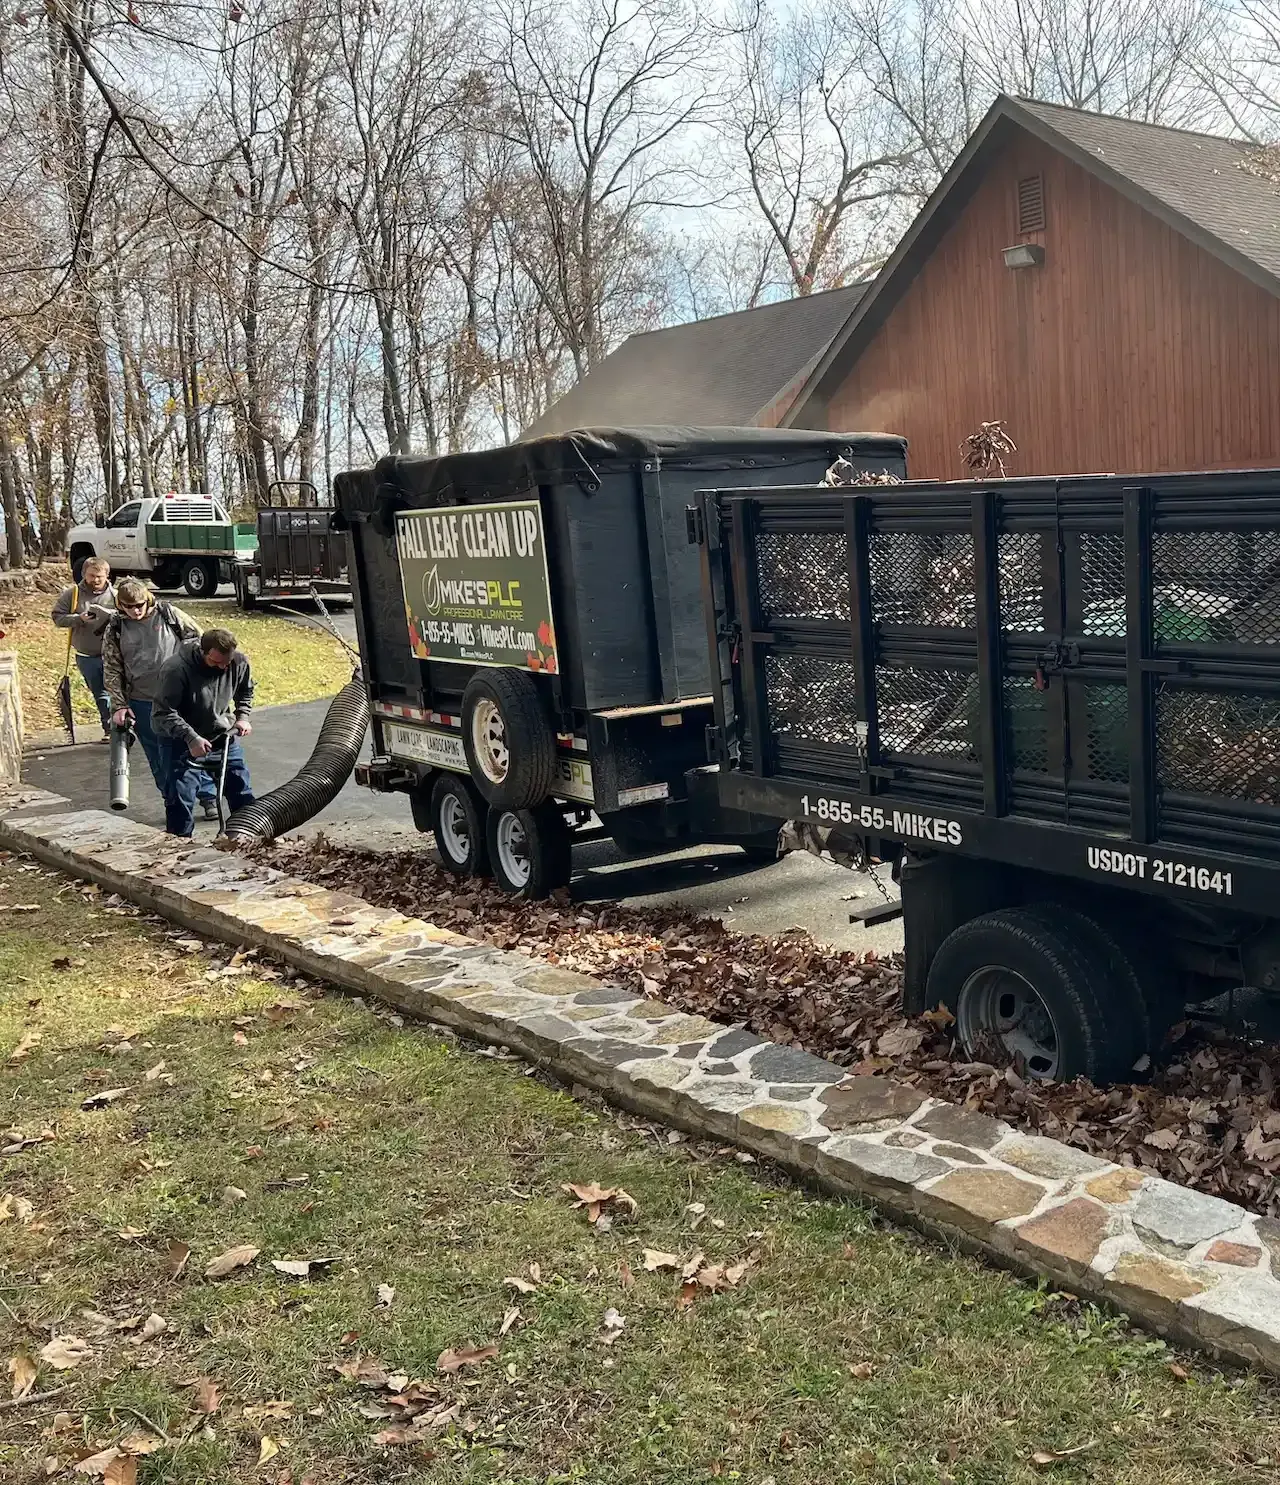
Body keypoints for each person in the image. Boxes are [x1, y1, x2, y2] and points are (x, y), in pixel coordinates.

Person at [102, 578, 217, 817]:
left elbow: (199, 641)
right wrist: (119, 705)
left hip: (178, 698)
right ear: (119, 604)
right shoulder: (115, 627)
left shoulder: (169, 614)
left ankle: (208, 798)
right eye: (128, 606)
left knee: (192, 746)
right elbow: (112, 667)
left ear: (148, 599)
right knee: (158, 756)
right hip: (142, 700)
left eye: (140, 605)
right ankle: (172, 801)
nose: (135, 610)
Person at [153, 626, 256, 838]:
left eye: (226, 663)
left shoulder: (238, 662)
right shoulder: (176, 669)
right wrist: (191, 738)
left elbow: (246, 690)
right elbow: (164, 712)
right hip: (178, 740)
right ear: (202, 651)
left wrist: (243, 716)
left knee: (240, 788)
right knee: (180, 798)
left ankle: (247, 837)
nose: (222, 668)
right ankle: (179, 846)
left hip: (220, 734)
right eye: (216, 662)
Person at [51, 558, 116, 739]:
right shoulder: (72, 595)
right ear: (84, 574)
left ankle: (123, 727)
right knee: (101, 694)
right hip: (87, 656)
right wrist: (78, 619)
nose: (95, 580)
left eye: (99, 576)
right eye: (91, 576)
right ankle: (109, 729)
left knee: (120, 692)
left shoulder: (116, 595)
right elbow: (57, 617)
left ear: (107, 576)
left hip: (115, 655)